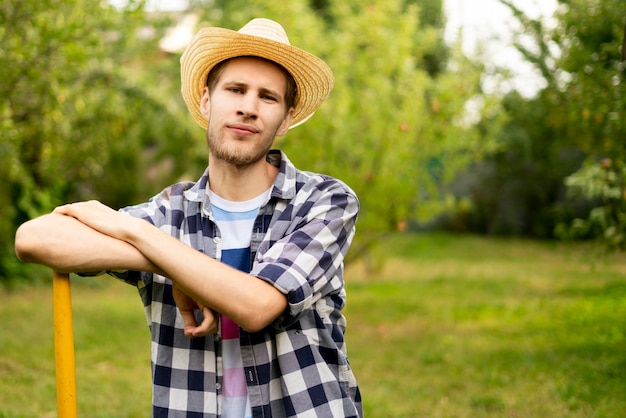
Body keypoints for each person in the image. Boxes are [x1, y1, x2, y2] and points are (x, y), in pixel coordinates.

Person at [15, 18, 362, 418]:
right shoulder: (169, 213)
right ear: (205, 101)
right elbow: (34, 239)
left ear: (285, 119)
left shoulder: (324, 201)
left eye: (267, 97)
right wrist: (160, 258)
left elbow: (257, 306)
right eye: (235, 89)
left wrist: (137, 236)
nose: (248, 107)